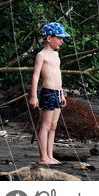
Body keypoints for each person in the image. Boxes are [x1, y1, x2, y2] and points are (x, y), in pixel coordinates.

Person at [29, 22, 71, 165]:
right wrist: (34, 96)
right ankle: (43, 157)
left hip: (58, 92)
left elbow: (58, 75)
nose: (61, 41)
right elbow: (35, 76)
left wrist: (62, 93)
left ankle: (50, 155)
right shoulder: (41, 55)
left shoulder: (56, 55)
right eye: (59, 38)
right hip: (47, 92)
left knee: (53, 125)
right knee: (45, 125)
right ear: (49, 38)